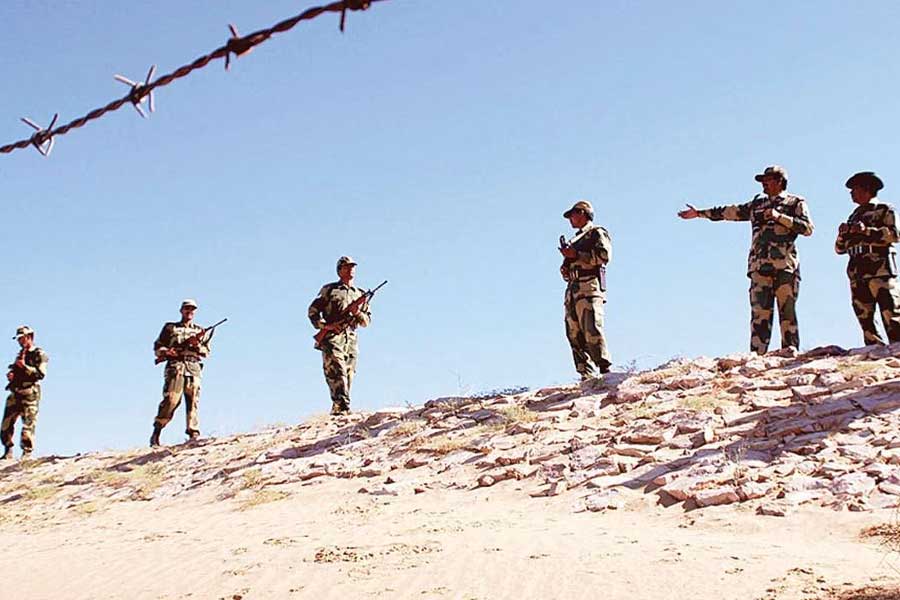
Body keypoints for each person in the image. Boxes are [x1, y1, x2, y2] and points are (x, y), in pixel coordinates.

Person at [678, 165, 814, 354]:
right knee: (759, 314)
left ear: (780, 182)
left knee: (787, 313)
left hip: (785, 267)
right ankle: (758, 357)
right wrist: (700, 213)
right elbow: (729, 212)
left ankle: (789, 353)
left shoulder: (795, 203)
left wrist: (779, 217)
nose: (764, 185)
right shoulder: (757, 204)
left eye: (768, 180)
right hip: (759, 267)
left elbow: (807, 228)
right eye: (762, 181)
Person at [835, 171, 900, 345]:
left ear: (867, 189)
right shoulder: (854, 216)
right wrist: (842, 235)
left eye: (854, 189)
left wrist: (866, 231)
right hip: (858, 272)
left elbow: (895, 235)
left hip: (880, 270)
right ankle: (873, 349)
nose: (851, 193)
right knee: (864, 315)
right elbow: (839, 249)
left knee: (891, 312)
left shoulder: (884, 210)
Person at [308, 256, 372, 415]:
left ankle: (339, 406)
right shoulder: (329, 290)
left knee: (349, 372)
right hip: (332, 336)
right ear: (339, 270)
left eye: (352, 266)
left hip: (350, 337)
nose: (350, 269)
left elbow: (366, 321)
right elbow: (313, 311)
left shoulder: (360, 294)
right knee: (336, 369)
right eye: (346, 267)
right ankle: (342, 406)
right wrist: (325, 326)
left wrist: (357, 312)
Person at [559, 200, 612, 380]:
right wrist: (566, 265)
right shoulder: (577, 239)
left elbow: (604, 256)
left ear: (583, 213)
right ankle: (586, 375)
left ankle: (604, 370)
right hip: (573, 288)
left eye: (573, 214)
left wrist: (577, 255)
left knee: (591, 327)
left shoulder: (596, 233)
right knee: (573, 332)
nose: (570, 219)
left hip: (588, 286)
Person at [150, 299, 212, 447]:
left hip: (193, 367)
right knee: (171, 400)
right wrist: (167, 351)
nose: (189, 311)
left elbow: (206, 351)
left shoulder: (200, 331)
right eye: (187, 308)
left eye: (192, 309)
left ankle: (193, 433)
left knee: (193, 401)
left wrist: (197, 347)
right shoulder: (170, 328)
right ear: (181, 310)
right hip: (176, 367)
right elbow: (158, 346)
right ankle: (157, 431)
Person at [2, 326, 49, 460]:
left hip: (30, 393)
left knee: (28, 424)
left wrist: (24, 367)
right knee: (6, 424)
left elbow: (40, 374)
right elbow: (18, 370)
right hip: (16, 392)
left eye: (22, 338)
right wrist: (13, 374)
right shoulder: (21, 353)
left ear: (30, 337)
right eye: (19, 339)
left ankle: (27, 453)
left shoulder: (39, 354)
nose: (20, 341)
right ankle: (8, 451)